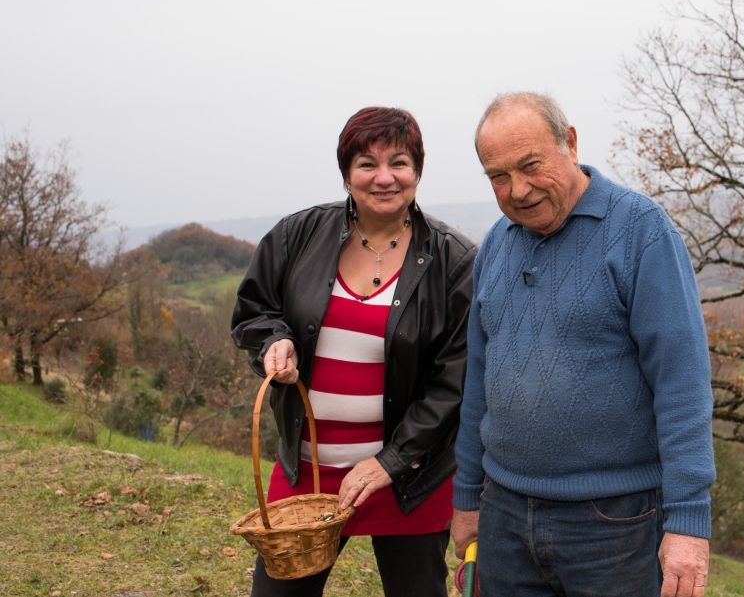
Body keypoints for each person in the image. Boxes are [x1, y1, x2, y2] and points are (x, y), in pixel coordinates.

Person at [451, 92, 715, 597]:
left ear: (569, 144)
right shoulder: (495, 245)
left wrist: (687, 521)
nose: (519, 190)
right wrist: (467, 497)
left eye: (531, 166)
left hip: (616, 523)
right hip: (504, 513)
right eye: (498, 177)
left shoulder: (642, 232)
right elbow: (478, 386)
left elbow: (682, 385)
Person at [231, 106, 476, 597]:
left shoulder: (455, 260)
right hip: (308, 474)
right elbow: (254, 311)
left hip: (408, 481)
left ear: (418, 171)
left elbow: (457, 381)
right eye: (367, 163)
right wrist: (273, 341)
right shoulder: (295, 236)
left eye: (399, 162)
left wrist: (391, 461)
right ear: (347, 174)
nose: (384, 177)